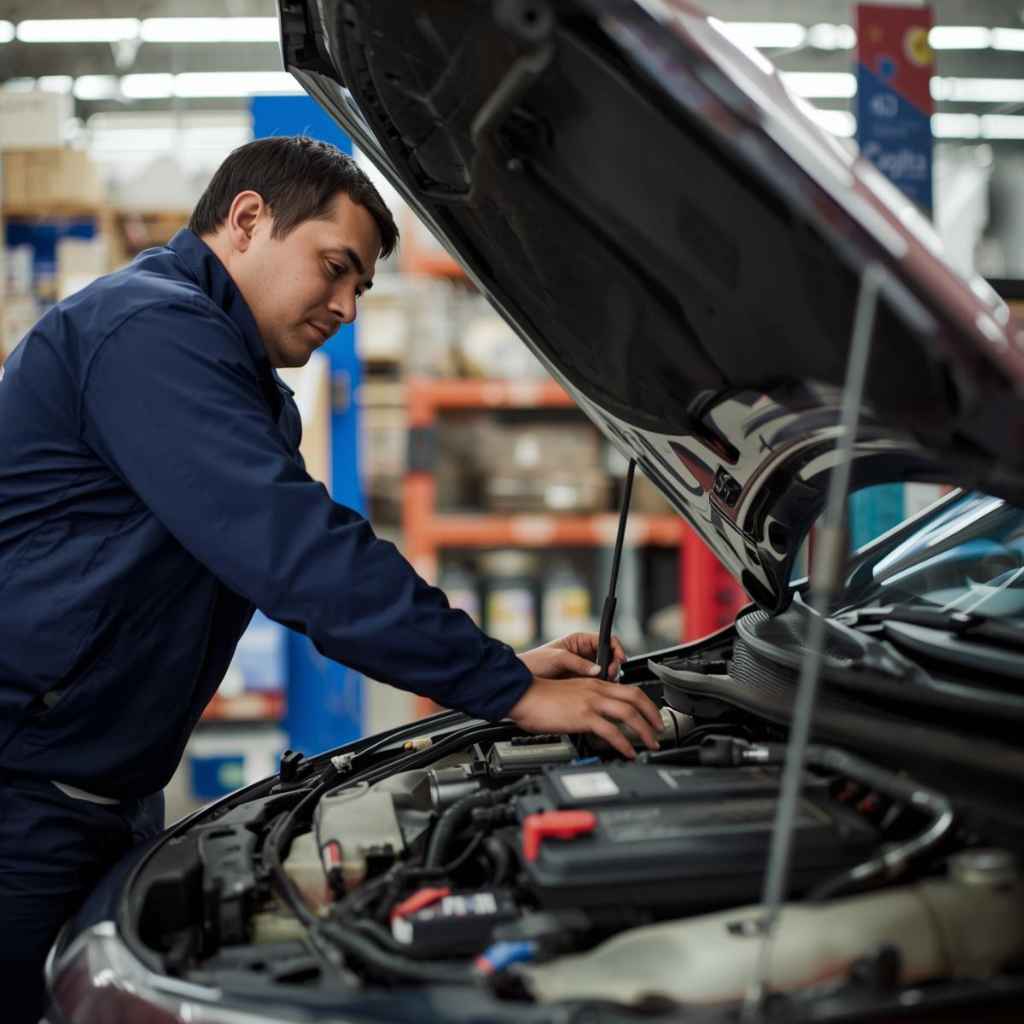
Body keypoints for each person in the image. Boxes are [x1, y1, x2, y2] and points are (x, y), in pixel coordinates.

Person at [0, 135, 661, 1021]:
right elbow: (298, 555)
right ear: (247, 221)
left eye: (363, 287)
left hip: (96, 789)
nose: (347, 306)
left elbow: (318, 552)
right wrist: (504, 689)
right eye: (336, 268)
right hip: (21, 794)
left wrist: (500, 662)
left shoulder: (238, 380)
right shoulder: (147, 333)